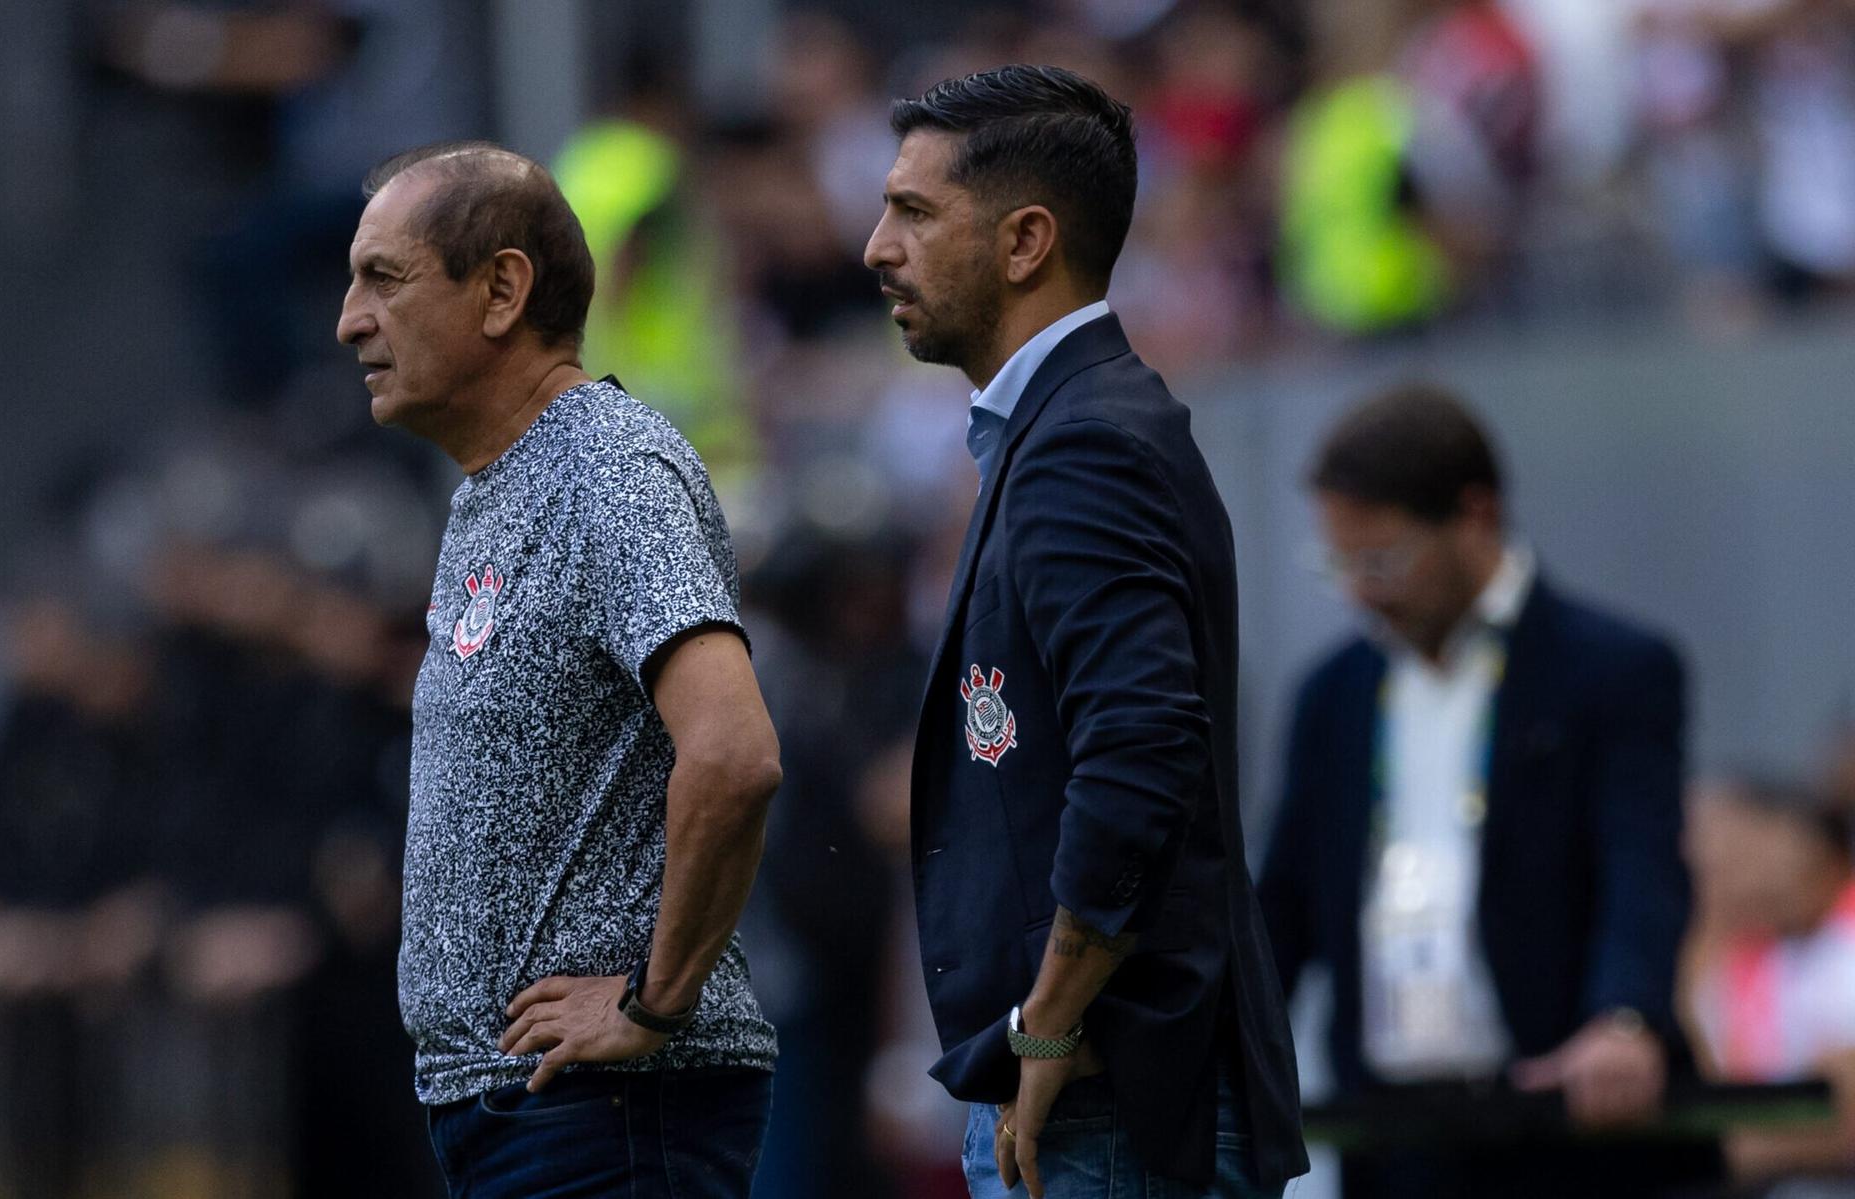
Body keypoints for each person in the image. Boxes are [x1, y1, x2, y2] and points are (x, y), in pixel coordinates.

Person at [863, 65, 1309, 1199]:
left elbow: (1140, 751)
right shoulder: (1065, 428)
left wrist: (1049, 1026)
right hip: (1089, 1099)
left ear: (1025, 242)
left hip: (1105, 1106)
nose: (876, 246)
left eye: (914, 212)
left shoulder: (1085, 444)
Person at [335, 141, 782, 1198]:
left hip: (607, 1116)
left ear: (501, 290)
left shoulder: (609, 468)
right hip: (521, 1110)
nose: (349, 319)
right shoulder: (500, 484)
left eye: (383, 279)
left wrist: (651, 1002)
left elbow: (735, 751)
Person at [1258, 384, 1699, 1198]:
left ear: (1475, 514)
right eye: (1340, 565)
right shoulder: (1332, 694)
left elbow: (1642, 864)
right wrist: (1218, 1051)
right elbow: (1282, 904)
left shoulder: (1612, 669)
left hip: (1560, 1118)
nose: (1361, 590)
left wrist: (1625, 1018)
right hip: (1390, 1133)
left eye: (1383, 560)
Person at [1683, 774, 1855, 1187]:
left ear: (1805, 843)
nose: (1717, 866)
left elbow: (1842, 1124)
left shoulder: (1841, 942)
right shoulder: (1749, 948)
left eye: (1738, 845)